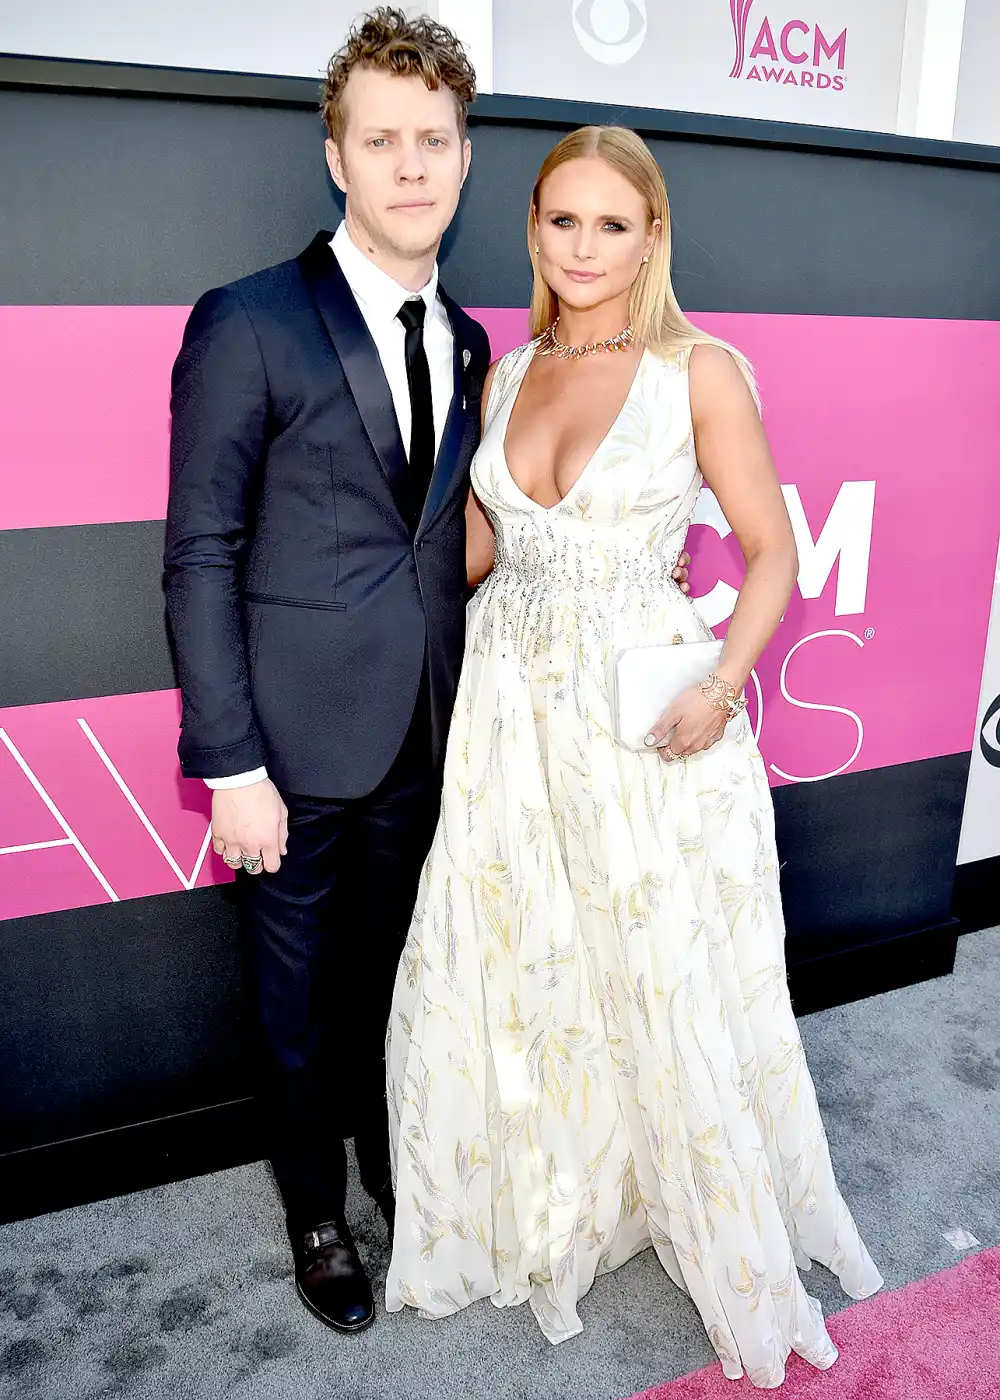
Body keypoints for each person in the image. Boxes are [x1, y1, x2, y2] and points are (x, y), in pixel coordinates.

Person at [164, 2, 695, 1337]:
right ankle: (314, 1211)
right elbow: (200, 553)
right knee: (293, 1005)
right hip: (284, 748)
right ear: (337, 156)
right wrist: (229, 761)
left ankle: (411, 1173)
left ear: (464, 164)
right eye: (383, 139)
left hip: (434, 735)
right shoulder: (248, 322)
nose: (411, 165)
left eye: (436, 141)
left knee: (409, 981)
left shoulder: (473, 349)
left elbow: (464, 540)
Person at [385, 125, 884, 1388]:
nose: (587, 246)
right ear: (534, 229)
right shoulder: (503, 377)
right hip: (511, 716)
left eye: (615, 223)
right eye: (564, 221)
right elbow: (485, 554)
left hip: (646, 716)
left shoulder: (695, 371)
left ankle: (698, 1207)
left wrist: (723, 688)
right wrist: (348, 603)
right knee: (529, 956)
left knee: (656, 970)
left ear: (651, 234)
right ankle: (566, 1193)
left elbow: (769, 552)